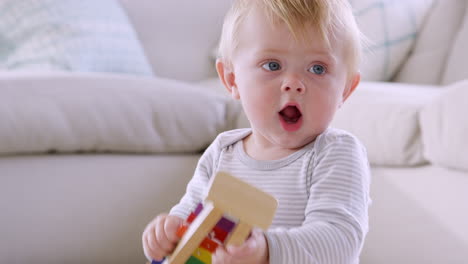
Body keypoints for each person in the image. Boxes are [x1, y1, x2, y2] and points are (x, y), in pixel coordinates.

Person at [142, 0, 371, 263]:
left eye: (317, 68)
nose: (294, 84)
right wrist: (167, 234)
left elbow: (339, 243)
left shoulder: (336, 154)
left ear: (345, 89)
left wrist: (267, 250)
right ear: (232, 79)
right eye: (272, 65)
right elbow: (191, 220)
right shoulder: (222, 152)